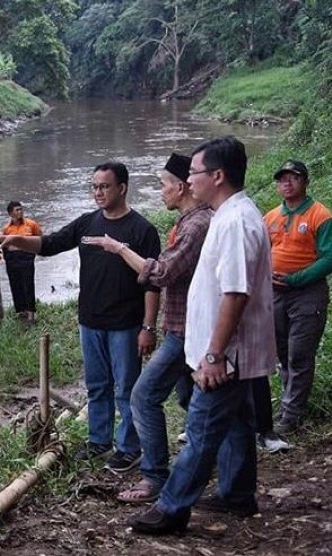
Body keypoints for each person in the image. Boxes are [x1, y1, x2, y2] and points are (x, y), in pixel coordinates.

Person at [128, 136, 277, 536]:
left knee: (200, 431)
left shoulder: (233, 222)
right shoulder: (230, 214)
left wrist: (213, 355)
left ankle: (172, 508)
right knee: (238, 422)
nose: (188, 181)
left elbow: (235, 292)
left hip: (226, 352)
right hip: (229, 349)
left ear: (217, 175)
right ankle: (237, 495)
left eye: (193, 173)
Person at [0, 162, 161, 473]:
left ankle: (129, 447)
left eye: (105, 186)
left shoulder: (142, 230)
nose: (98, 192)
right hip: (90, 321)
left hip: (125, 324)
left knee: (126, 389)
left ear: (122, 188)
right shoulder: (88, 223)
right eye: (95, 186)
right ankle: (99, 441)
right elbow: (51, 243)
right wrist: (17, 241)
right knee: (97, 386)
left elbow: (153, 283)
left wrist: (148, 327)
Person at [83, 153, 210, 503]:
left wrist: (118, 248)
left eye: (163, 185)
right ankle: (228, 481)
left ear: (183, 186)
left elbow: (160, 275)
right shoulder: (187, 223)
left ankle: (155, 474)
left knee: (139, 394)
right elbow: (54, 242)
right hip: (184, 328)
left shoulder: (192, 226)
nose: (160, 192)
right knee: (193, 399)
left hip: (187, 330)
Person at [259, 160, 332, 439]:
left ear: (305, 182)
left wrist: (297, 278)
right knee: (282, 352)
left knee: (300, 354)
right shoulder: (271, 217)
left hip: (307, 294)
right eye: (282, 179)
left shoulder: (320, 215)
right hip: (275, 293)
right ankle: (290, 405)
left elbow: (329, 257)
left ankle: (292, 415)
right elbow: (262, 250)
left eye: (293, 178)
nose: (286, 183)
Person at [2, 201, 43, 324]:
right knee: (16, 285)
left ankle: (31, 314)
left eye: (21, 209)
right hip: (12, 260)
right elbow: (3, 244)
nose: (20, 212)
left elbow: (40, 237)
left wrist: (32, 252)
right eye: (17, 210)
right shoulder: (7, 228)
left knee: (28, 285)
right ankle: (21, 312)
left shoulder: (31, 224)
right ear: (10, 213)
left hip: (26, 259)